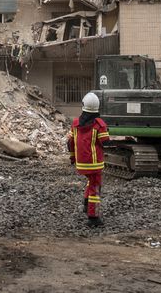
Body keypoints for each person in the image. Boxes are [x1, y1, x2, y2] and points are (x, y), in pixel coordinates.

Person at [67, 92, 109, 227]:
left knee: (90, 182)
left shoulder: (75, 123)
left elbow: (70, 142)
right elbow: (105, 142)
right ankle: (93, 217)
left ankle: (86, 204)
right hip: (95, 164)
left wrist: (73, 158)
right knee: (95, 188)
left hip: (81, 164)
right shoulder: (99, 124)